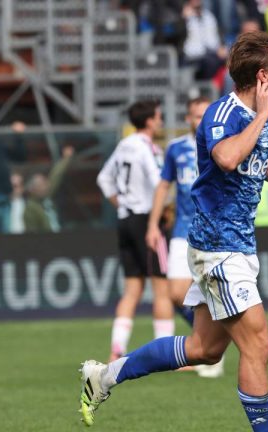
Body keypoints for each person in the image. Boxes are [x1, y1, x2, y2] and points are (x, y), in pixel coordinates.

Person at [80, 31, 268, 431]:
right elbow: (227, 157)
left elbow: (249, 156)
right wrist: (262, 115)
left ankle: (104, 376)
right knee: (258, 345)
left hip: (238, 244)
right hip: (218, 246)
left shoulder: (266, 113)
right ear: (263, 76)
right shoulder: (223, 114)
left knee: (204, 349)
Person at [144, 96, 224, 378]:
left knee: (212, 292)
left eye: (204, 115)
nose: (200, 120)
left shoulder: (222, 146)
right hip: (182, 230)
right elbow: (163, 186)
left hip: (213, 230)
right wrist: (153, 225)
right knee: (177, 293)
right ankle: (209, 341)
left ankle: (211, 349)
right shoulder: (176, 148)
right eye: (195, 115)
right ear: (188, 119)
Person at [96, 100, 173, 362]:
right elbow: (159, 182)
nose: (161, 121)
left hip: (125, 218)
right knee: (162, 288)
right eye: (159, 117)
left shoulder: (124, 145)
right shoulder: (147, 148)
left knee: (132, 290)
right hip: (147, 219)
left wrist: (122, 204)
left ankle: (116, 350)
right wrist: (165, 209)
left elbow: (103, 179)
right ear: (150, 121)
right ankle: (167, 355)